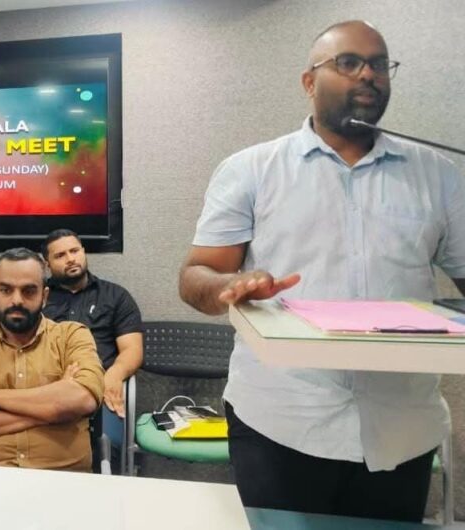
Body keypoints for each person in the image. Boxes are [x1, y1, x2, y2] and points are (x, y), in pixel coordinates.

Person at [178, 20, 465, 522]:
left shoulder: (439, 176)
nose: (368, 74)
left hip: (401, 429)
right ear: (309, 82)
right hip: (281, 421)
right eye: (348, 62)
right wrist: (231, 284)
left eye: (379, 64)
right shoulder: (251, 170)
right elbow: (196, 275)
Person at [0, 248, 104, 471]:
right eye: (5, 290)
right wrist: (53, 411)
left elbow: (83, 398)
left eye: (28, 291)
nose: (16, 300)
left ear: (44, 296)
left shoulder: (71, 335)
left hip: (61, 477)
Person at [41, 229, 143, 417]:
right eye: (60, 255)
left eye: (74, 251)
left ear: (83, 251)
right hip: (48, 388)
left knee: (107, 432)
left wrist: (115, 374)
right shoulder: (38, 297)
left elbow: (132, 349)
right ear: (47, 265)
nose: (70, 259)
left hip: (101, 388)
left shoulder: (115, 296)